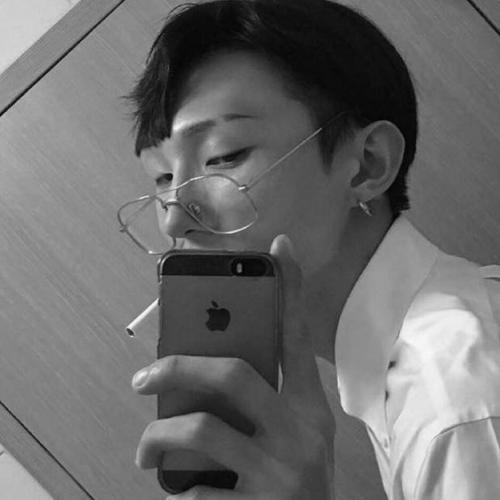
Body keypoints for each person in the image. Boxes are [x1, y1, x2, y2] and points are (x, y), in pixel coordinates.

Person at [122, 0, 500, 498]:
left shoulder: (455, 399)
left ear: (367, 163)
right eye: (162, 177)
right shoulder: (441, 345)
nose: (174, 217)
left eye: (223, 156)